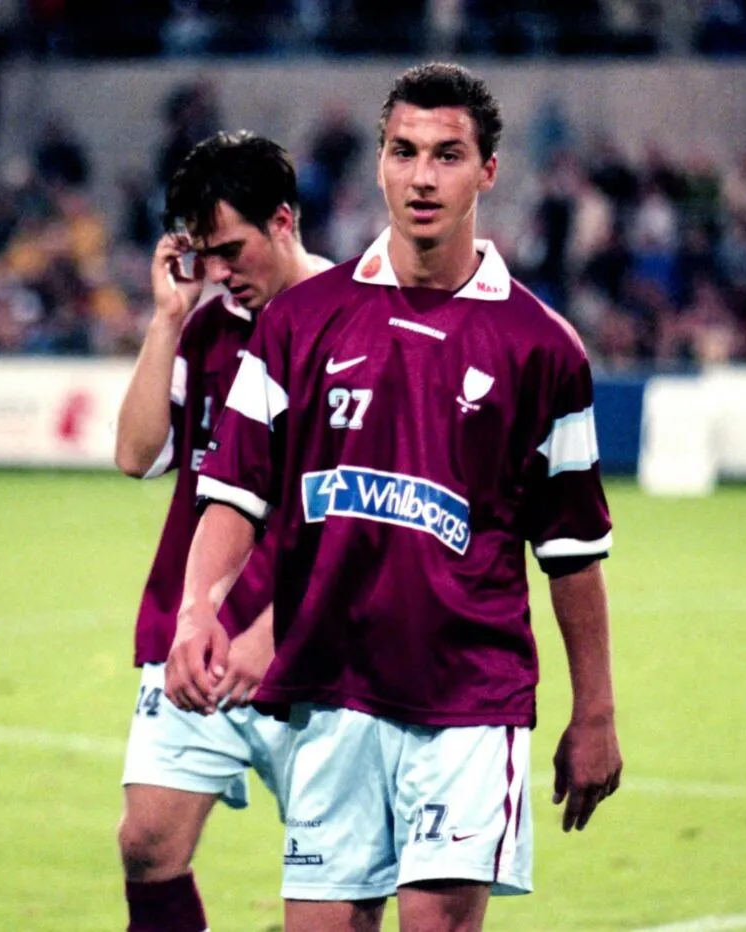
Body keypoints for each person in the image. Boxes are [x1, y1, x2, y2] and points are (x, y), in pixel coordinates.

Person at [166, 63, 622, 932]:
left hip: (468, 704)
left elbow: (572, 553)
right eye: (404, 151)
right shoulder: (299, 321)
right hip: (330, 694)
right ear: (378, 162)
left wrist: (594, 712)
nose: (422, 177)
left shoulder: (544, 349)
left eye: (448, 155)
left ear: (487, 172)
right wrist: (197, 612)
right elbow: (233, 491)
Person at [114, 130, 331, 932]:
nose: (219, 272)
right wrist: (169, 319)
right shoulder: (208, 331)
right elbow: (137, 456)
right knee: (147, 843)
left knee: (333, 889)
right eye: (203, 256)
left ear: (283, 221)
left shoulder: (351, 325)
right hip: (194, 641)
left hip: (314, 651)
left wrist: (275, 629)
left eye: (232, 251)